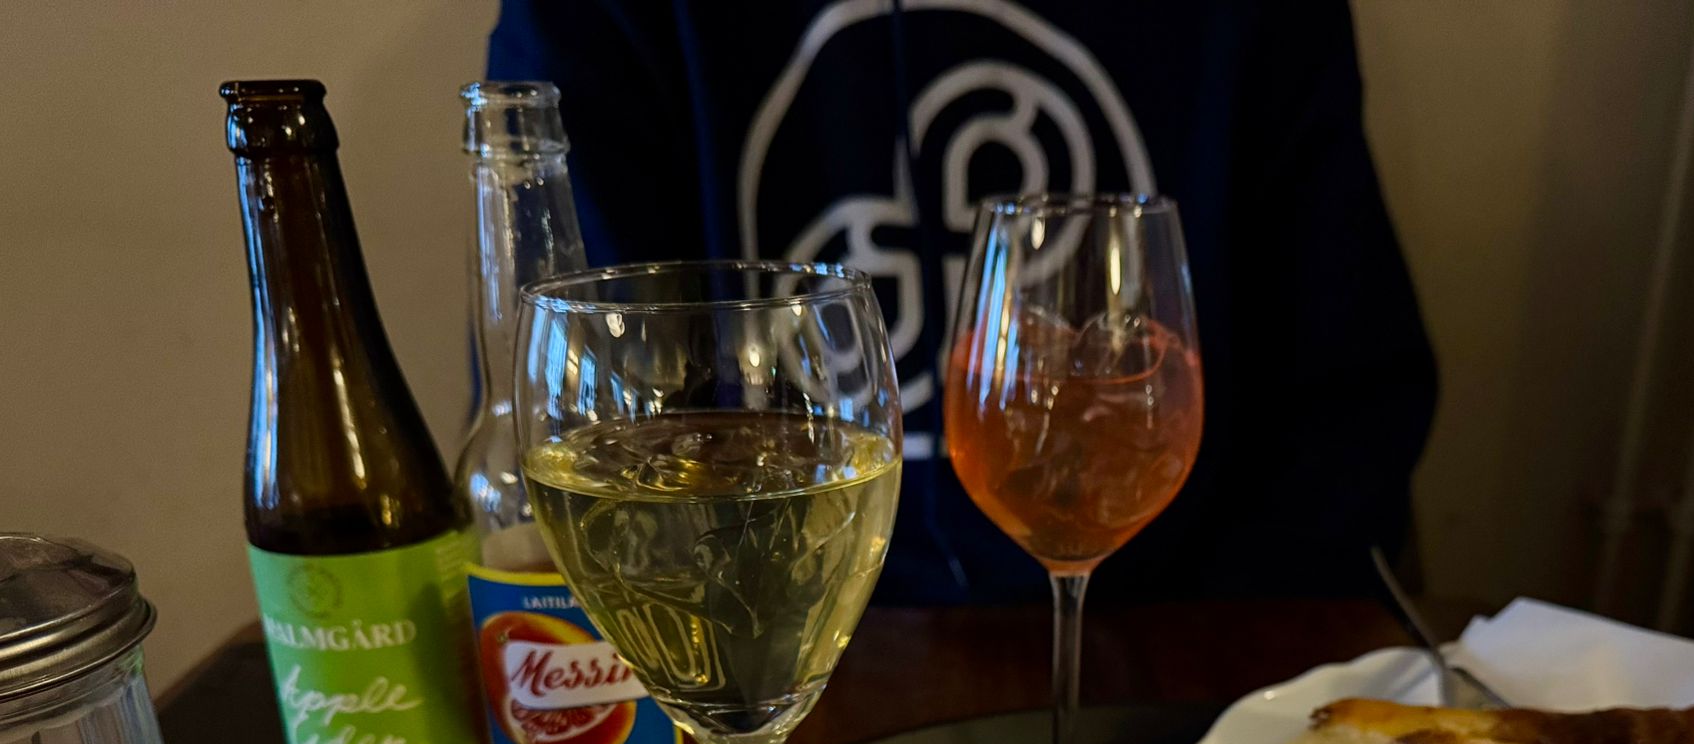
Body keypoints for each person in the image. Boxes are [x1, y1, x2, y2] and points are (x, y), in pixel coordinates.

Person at [487, 0, 1436, 604]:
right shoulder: (596, 20)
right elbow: (584, 402)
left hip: (1178, 642)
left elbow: (1346, 406)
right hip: (769, 644)